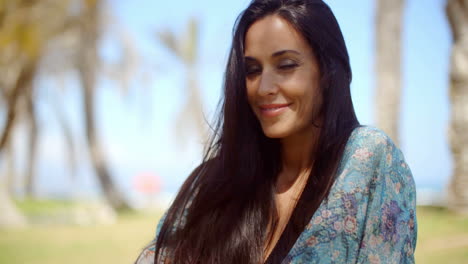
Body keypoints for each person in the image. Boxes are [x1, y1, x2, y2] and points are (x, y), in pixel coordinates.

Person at [136, 0, 417, 263]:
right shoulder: (212, 183)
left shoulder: (365, 160)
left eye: (285, 65)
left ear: (328, 71)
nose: (263, 87)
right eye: (252, 70)